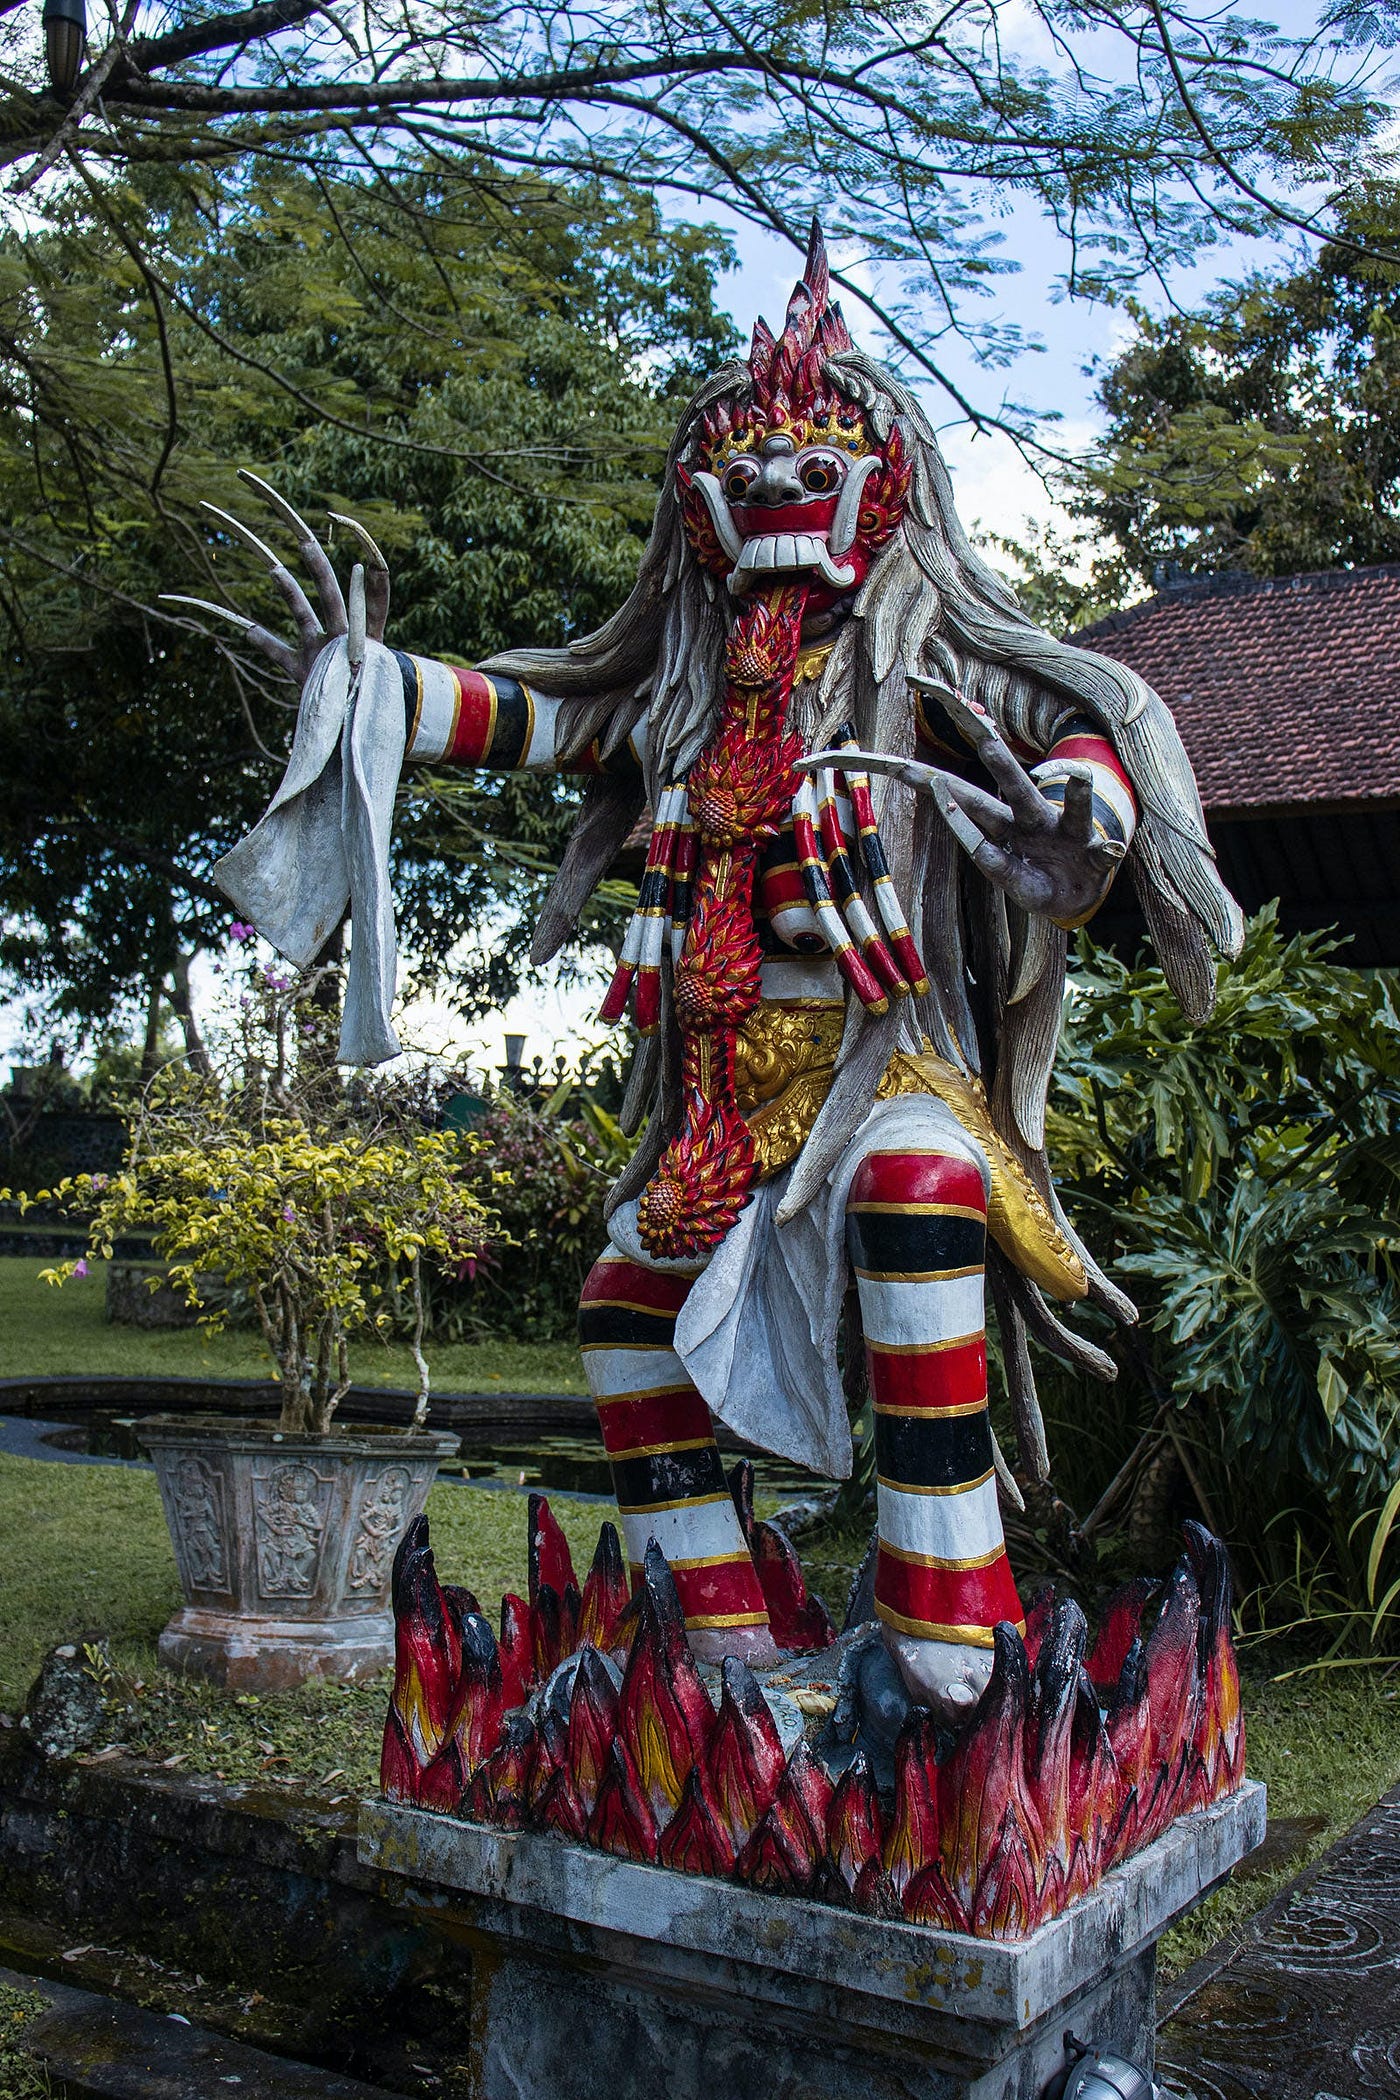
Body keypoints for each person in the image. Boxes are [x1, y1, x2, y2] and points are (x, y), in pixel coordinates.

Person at [190, 226, 1240, 1717]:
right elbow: (527, 718)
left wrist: (1079, 810)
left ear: (892, 491)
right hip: (720, 1097)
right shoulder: (683, 695)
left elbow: (1079, 733)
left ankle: (956, 1639)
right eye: (740, 467)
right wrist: (366, 686)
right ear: (697, 507)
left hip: (893, 1068)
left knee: (918, 1194)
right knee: (625, 1306)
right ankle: (726, 1634)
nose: (771, 486)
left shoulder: (932, 669)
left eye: (813, 460)